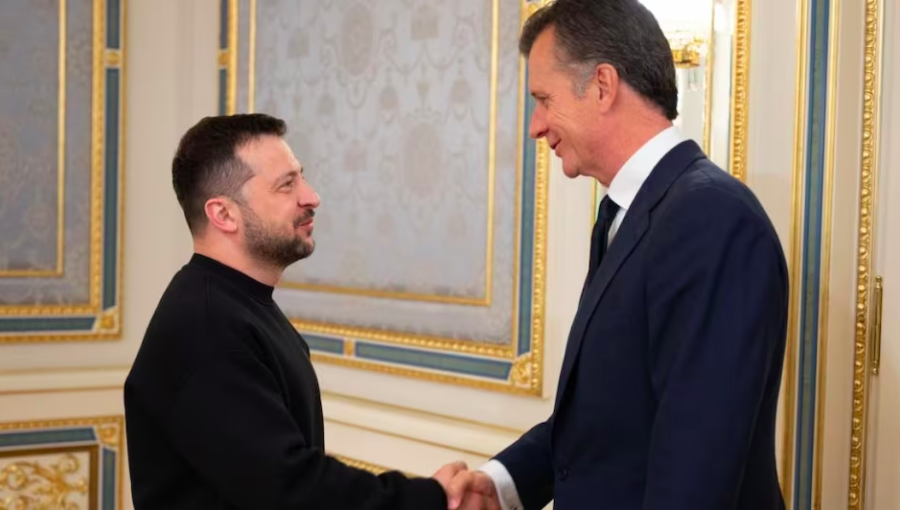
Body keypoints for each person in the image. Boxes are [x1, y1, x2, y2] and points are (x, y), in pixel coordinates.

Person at [446, 1, 789, 509]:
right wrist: (501, 485)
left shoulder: (711, 219)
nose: (536, 126)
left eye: (544, 99)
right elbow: (608, 419)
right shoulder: (629, 214)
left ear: (603, 86)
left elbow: (695, 473)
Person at [123, 113, 473, 509]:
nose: (311, 197)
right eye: (286, 185)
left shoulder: (236, 305)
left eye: (301, 177)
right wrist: (429, 499)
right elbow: (288, 489)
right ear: (223, 214)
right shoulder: (204, 327)